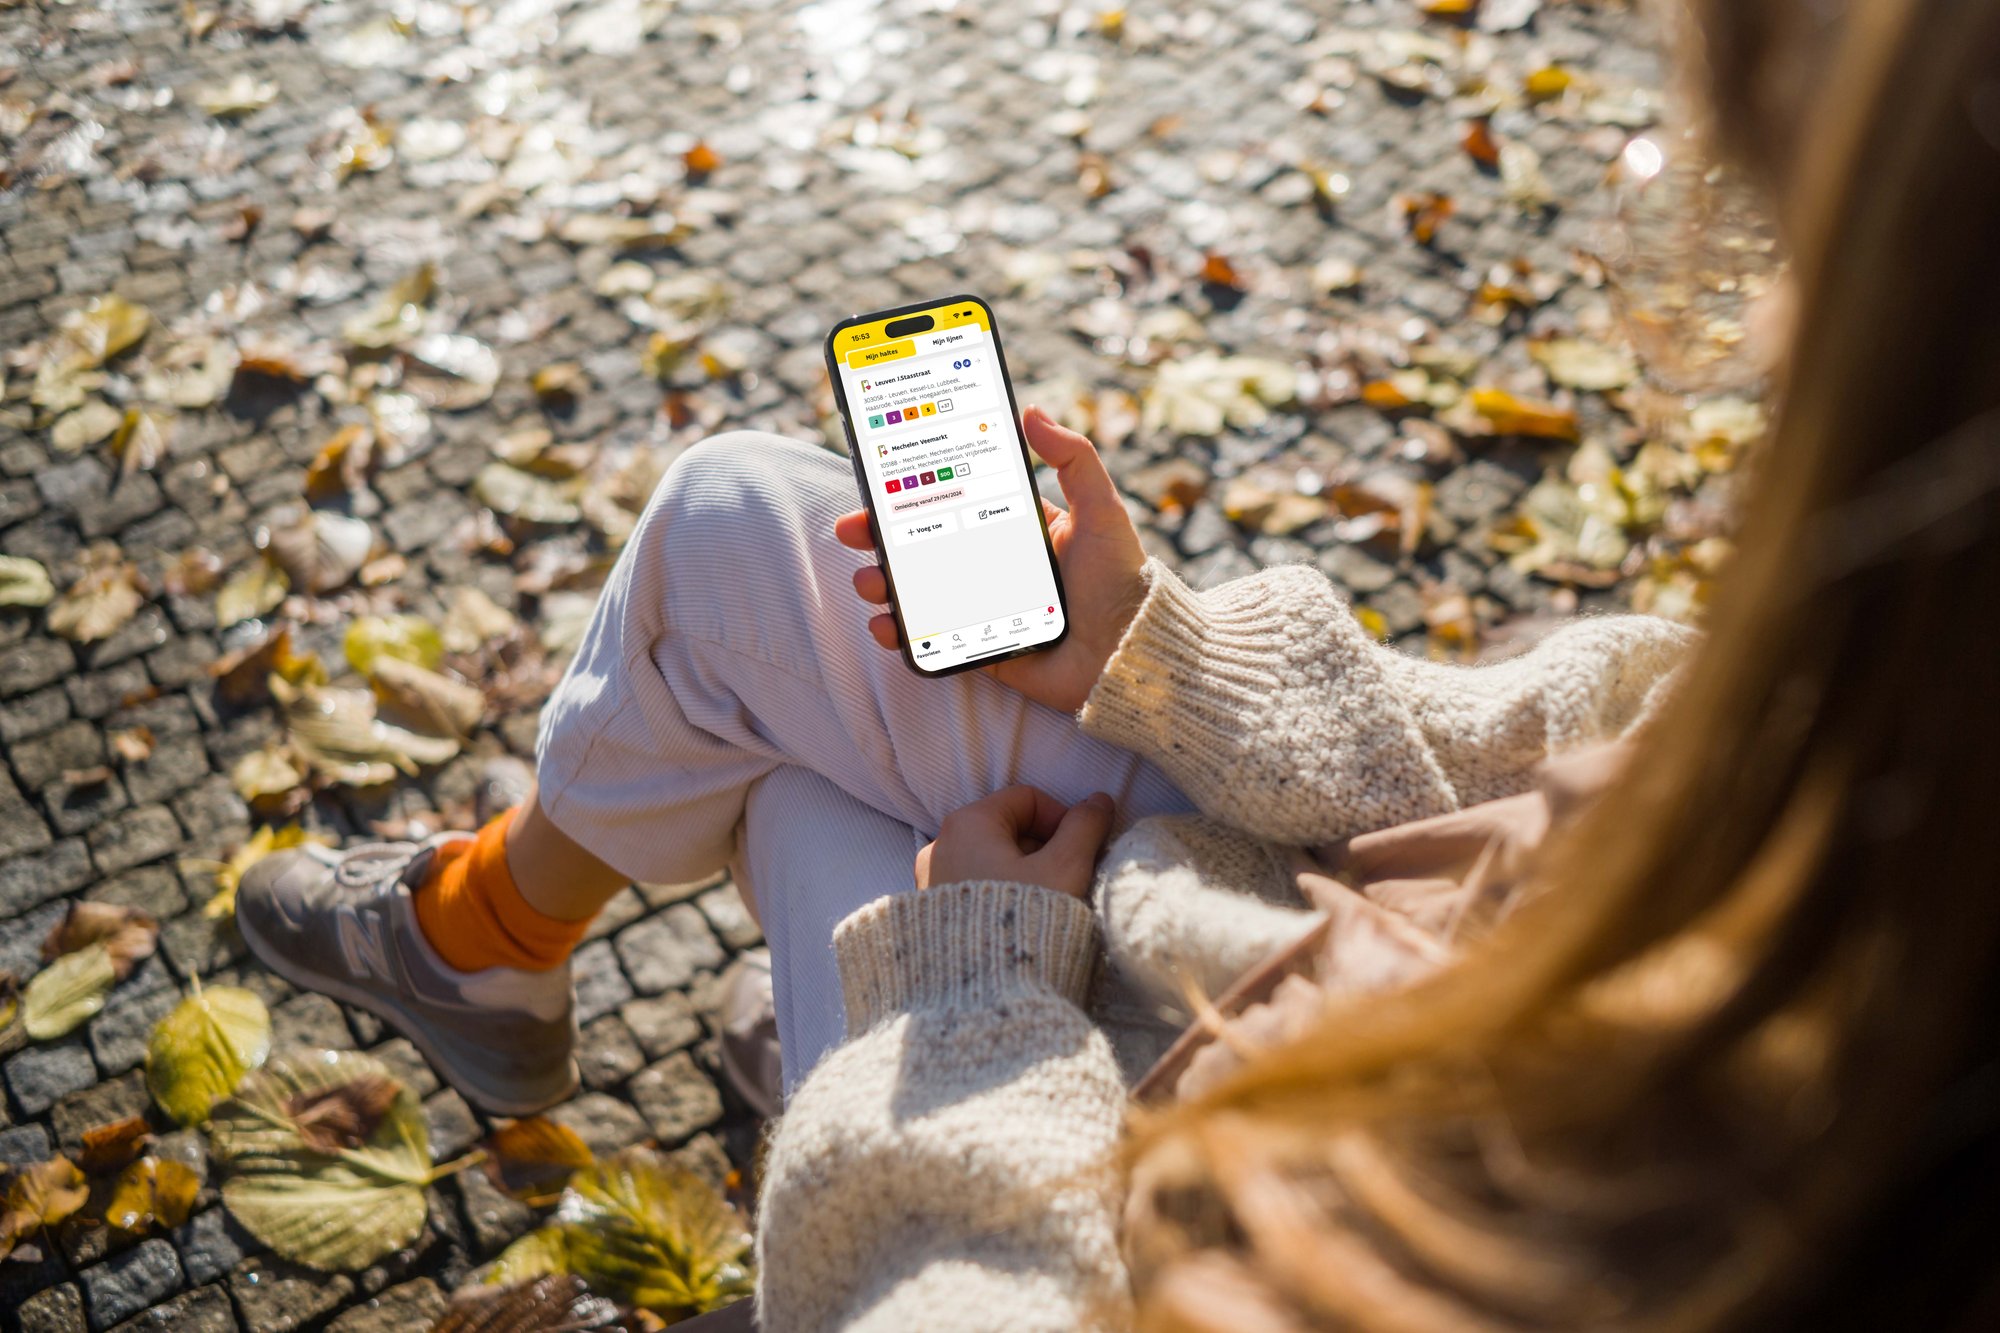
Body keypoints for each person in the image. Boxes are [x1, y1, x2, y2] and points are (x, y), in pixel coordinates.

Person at [238, 0, 2000, 1328]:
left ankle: (525, 948)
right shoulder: (1877, 720)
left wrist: (972, 989)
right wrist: (1160, 658)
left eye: (1776, 247)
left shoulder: (1647, 1217)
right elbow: (1541, 728)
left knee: (772, 758)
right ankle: (522, 943)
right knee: (736, 540)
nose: (1732, 295)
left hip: (1105, 1079)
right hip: (1237, 882)